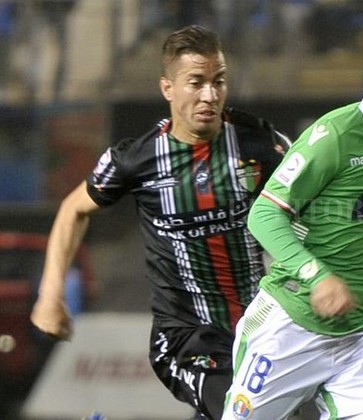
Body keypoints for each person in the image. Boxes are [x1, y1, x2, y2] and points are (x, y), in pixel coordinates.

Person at [30, 25, 290, 419]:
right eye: (196, 82)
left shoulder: (261, 144)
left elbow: (317, 205)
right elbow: (73, 209)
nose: (210, 95)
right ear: (167, 88)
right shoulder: (137, 159)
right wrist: (51, 295)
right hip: (187, 339)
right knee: (248, 412)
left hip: (261, 330)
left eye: (219, 81)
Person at [222, 25, 363, 420]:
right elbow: (264, 215)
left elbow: (361, 224)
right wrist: (319, 277)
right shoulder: (335, 135)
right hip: (291, 324)